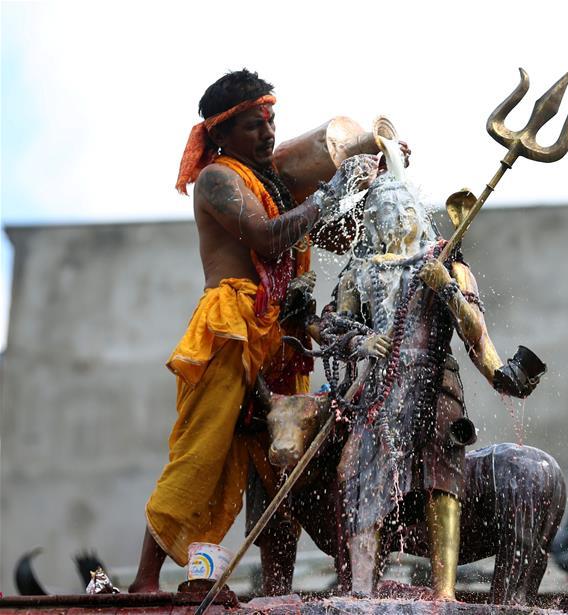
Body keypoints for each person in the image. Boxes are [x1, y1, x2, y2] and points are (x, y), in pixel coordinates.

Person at [129, 69, 379, 593]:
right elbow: (266, 239)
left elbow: (339, 235)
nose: (268, 133)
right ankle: (145, 581)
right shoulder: (218, 179)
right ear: (221, 133)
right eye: (252, 126)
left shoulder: (278, 184)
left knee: (282, 462)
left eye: (271, 121)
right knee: (203, 453)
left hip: (283, 335)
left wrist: (372, 181)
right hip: (232, 328)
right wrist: (330, 191)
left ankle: (276, 590)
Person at [320, 152, 544, 600]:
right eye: (385, 211)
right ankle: (362, 589)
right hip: (380, 391)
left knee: (441, 476)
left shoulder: (446, 262)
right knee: (357, 474)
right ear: (372, 221)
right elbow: (331, 327)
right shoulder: (360, 271)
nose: (397, 217)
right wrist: (360, 341)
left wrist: (446, 287)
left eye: (405, 208)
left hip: (437, 383)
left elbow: (476, 334)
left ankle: (444, 590)